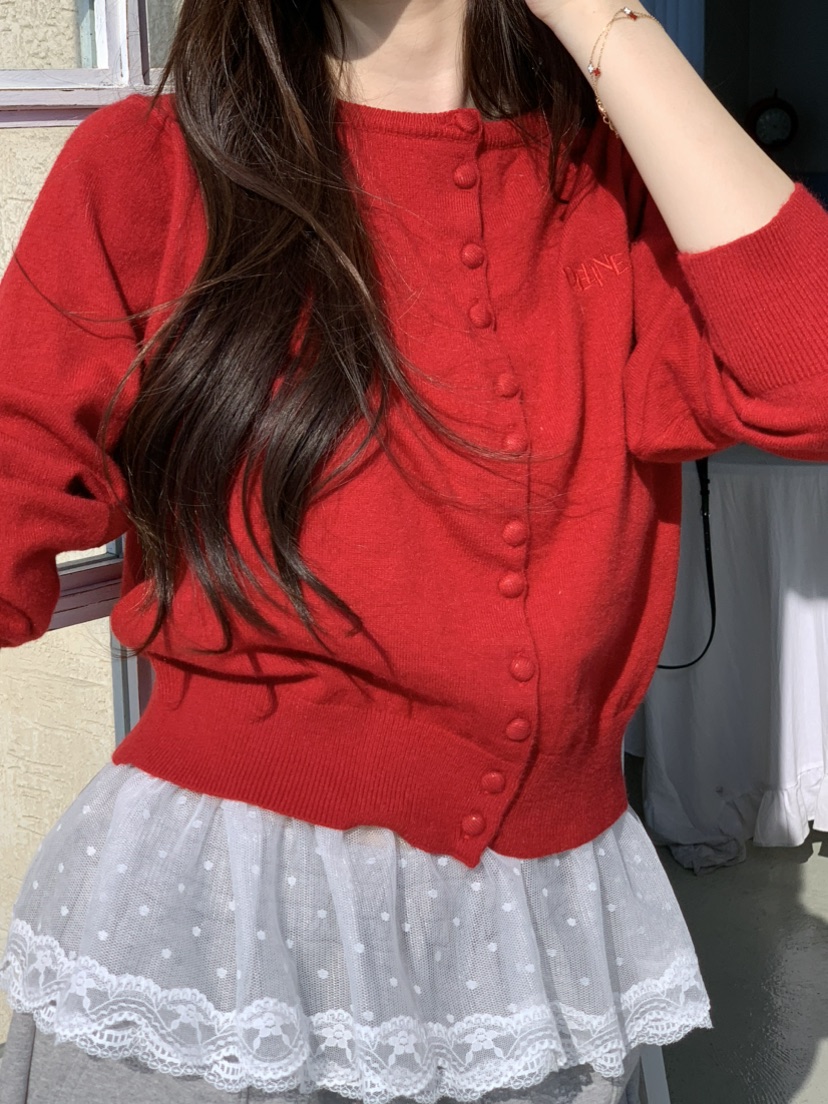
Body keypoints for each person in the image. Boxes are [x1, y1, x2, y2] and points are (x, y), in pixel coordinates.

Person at [1, 0, 828, 1101]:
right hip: (217, 933)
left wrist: (605, 23)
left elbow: (808, 376)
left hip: (536, 939)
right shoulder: (152, 164)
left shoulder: (612, 195)